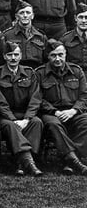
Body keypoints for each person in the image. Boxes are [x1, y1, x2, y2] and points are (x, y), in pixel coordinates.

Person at [36, 39, 87, 175]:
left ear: (66, 54)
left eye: (61, 55)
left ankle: (68, 159)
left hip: (74, 111)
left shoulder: (77, 71)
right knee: (53, 125)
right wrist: (55, 112)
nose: (57, 59)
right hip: (52, 113)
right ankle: (74, 161)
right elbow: (38, 99)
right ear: (48, 56)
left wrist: (73, 111)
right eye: (53, 55)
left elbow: (84, 96)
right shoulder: (39, 73)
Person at [0, 41, 44, 176]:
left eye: (16, 54)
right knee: (11, 126)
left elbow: (35, 99)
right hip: (5, 116)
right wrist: (12, 119)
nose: (13, 58)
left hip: (25, 114)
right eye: (9, 55)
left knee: (37, 122)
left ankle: (21, 162)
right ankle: (29, 163)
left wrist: (27, 118)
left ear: (21, 56)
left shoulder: (29, 73)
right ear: (4, 56)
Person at [0, 0, 47, 68]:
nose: (25, 15)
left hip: (36, 71)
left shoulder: (40, 36)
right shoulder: (7, 35)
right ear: (16, 16)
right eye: (22, 13)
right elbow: (1, 59)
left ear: (32, 16)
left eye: (28, 13)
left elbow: (45, 59)